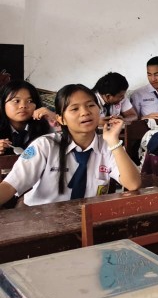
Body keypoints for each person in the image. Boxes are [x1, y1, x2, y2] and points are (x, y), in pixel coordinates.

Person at [0, 84, 141, 207]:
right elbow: (10, 185)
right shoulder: (44, 145)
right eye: (74, 109)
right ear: (61, 119)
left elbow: (133, 184)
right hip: (41, 218)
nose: (85, 112)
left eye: (91, 105)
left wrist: (113, 141)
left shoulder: (108, 145)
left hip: (85, 220)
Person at [0, 81, 56, 154]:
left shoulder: (46, 125)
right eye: (16, 101)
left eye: (30, 101)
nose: (23, 106)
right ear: (2, 103)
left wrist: (55, 119)